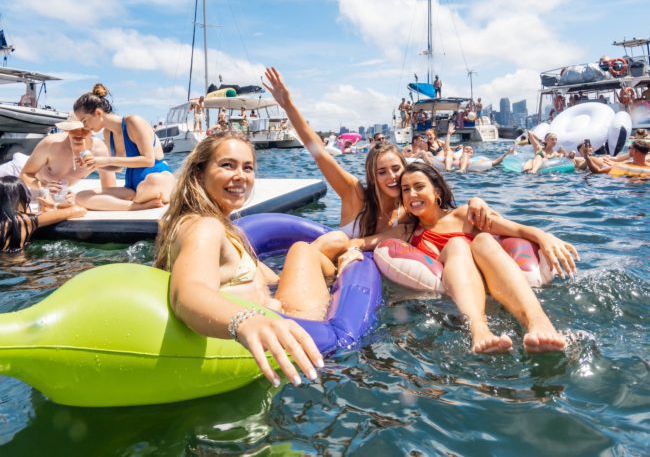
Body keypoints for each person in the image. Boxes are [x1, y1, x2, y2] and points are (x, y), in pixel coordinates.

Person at [153, 132, 347, 387]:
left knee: (320, 247)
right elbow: (188, 293)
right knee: (306, 249)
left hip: (274, 306)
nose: (241, 176)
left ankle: (341, 258)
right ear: (199, 173)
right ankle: (346, 262)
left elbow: (262, 277)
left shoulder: (207, 224)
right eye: (227, 165)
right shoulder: (204, 227)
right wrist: (245, 321)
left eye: (248, 168)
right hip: (300, 324)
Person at [262, 67, 490, 239]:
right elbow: (319, 153)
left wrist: (476, 200)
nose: (391, 176)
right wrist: (289, 106)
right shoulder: (355, 194)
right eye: (382, 172)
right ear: (373, 176)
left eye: (395, 169)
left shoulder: (410, 207)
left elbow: (445, 212)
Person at [399, 162, 578, 353]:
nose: (412, 194)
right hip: (459, 299)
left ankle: (538, 321)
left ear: (437, 192)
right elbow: (365, 242)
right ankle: (480, 330)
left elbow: (515, 229)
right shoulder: (406, 232)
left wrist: (543, 236)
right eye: (405, 189)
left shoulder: (464, 215)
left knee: (483, 238)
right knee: (457, 244)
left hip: (494, 285)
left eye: (419, 187)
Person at [72, 84, 175, 211]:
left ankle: (135, 200)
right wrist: (95, 164)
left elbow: (149, 160)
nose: (85, 126)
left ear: (98, 113)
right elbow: (118, 167)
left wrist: (106, 160)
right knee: (81, 196)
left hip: (156, 180)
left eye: (84, 120)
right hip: (132, 188)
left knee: (153, 181)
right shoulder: (108, 133)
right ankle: (137, 205)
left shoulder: (134, 122)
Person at [20, 115, 116, 199]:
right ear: (67, 129)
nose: (80, 133)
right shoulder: (50, 144)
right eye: (75, 128)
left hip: (60, 192)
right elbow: (24, 175)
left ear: (92, 130)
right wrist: (44, 186)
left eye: (85, 129)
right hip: (25, 175)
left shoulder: (99, 150)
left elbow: (110, 188)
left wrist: (80, 196)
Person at [1, 176, 86, 252]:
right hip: (18, 265)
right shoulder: (26, 220)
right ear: (20, 200)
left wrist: (43, 212)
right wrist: (54, 205)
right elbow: (79, 210)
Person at [580, 139, 649, 174]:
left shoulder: (624, 165)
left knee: (592, 158)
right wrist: (586, 156)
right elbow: (598, 171)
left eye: (630, 148)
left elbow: (597, 171)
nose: (628, 149)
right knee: (592, 159)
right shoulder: (624, 165)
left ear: (635, 151)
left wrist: (586, 156)